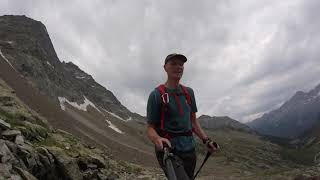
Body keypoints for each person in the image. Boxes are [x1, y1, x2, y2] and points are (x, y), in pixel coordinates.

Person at [146, 53, 218, 179]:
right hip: (169, 151)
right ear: (165, 67)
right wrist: (157, 139)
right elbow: (150, 128)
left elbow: (193, 121)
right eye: (173, 64)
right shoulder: (156, 95)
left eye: (181, 64)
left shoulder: (188, 93)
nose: (178, 67)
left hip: (189, 150)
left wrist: (206, 140)